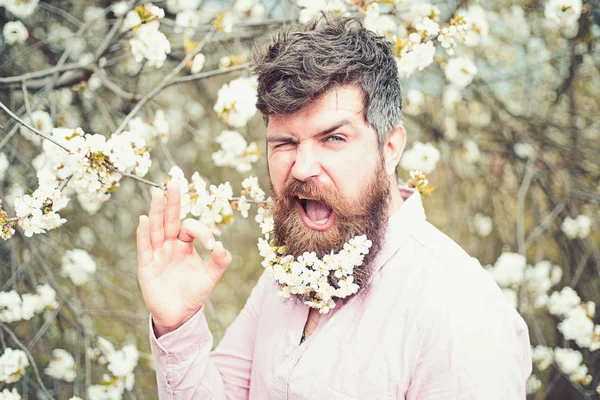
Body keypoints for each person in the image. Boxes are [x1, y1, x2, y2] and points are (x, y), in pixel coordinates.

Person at [136, 15, 532, 400]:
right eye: (285, 143)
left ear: (390, 147)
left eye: (334, 138)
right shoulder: (284, 275)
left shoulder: (459, 312)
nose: (303, 167)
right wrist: (178, 324)